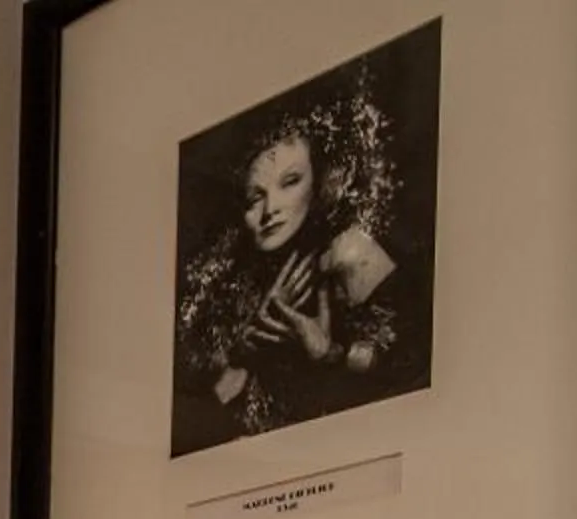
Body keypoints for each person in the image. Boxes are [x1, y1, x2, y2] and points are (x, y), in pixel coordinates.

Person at [173, 101, 414, 453]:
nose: (270, 210)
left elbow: (405, 363)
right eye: (255, 198)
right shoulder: (234, 271)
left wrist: (332, 352)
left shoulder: (349, 253)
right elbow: (208, 386)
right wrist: (240, 349)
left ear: (318, 182)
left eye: (290, 182)